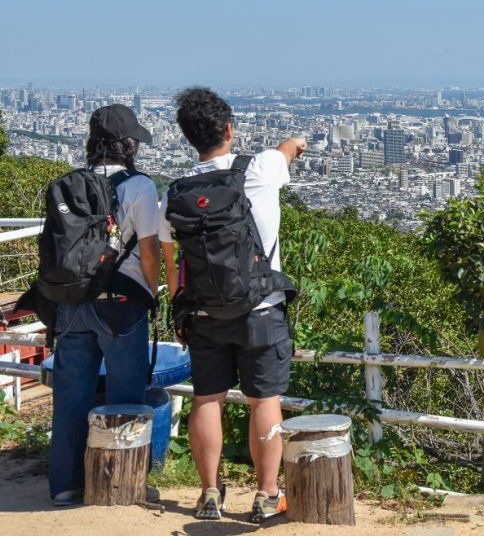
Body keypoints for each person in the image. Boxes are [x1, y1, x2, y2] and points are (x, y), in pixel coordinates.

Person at [159, 87, 305, 522]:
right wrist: (295, 145)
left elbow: (171, 263)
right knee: (265, 400)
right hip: (260, 308)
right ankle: (265, 494)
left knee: (207, 398)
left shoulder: (176, 194)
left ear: (189, 137)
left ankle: (208, 492)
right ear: (228, 129)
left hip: (203, 312)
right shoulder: (259, 169)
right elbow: (287, 150)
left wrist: (179, 307)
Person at [49, 104, 161, 506]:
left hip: (72, 301)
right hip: (121, 303)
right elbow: (149, 250)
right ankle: (122, 484)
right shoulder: (139, 186)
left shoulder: (69, 183)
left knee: (71, 395)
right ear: (128, 145)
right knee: (127, 392)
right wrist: (152, 291)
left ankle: (65, 484)